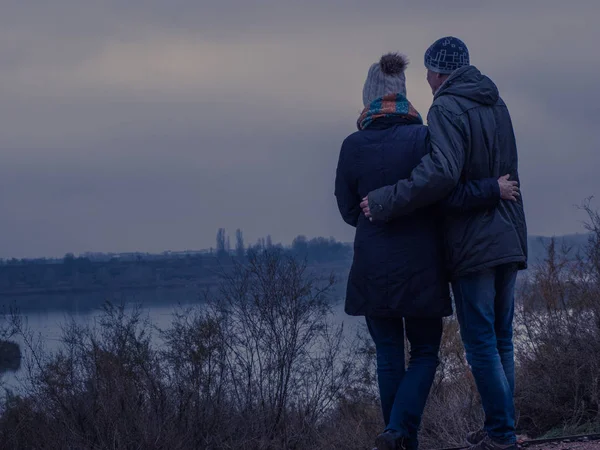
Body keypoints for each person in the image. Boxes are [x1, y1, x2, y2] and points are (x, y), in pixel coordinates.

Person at [335, 52, 520, 450]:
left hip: (371, 266)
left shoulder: (351, 146)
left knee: (388, 355)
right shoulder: (423, 137)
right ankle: (401, 432)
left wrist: (375, 222)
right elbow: (443, 192)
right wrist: (489, 189)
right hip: (421, 265)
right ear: (403, 94)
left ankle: (400, 438)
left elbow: (349, 210)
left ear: (368, 97)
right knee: (423, 353)